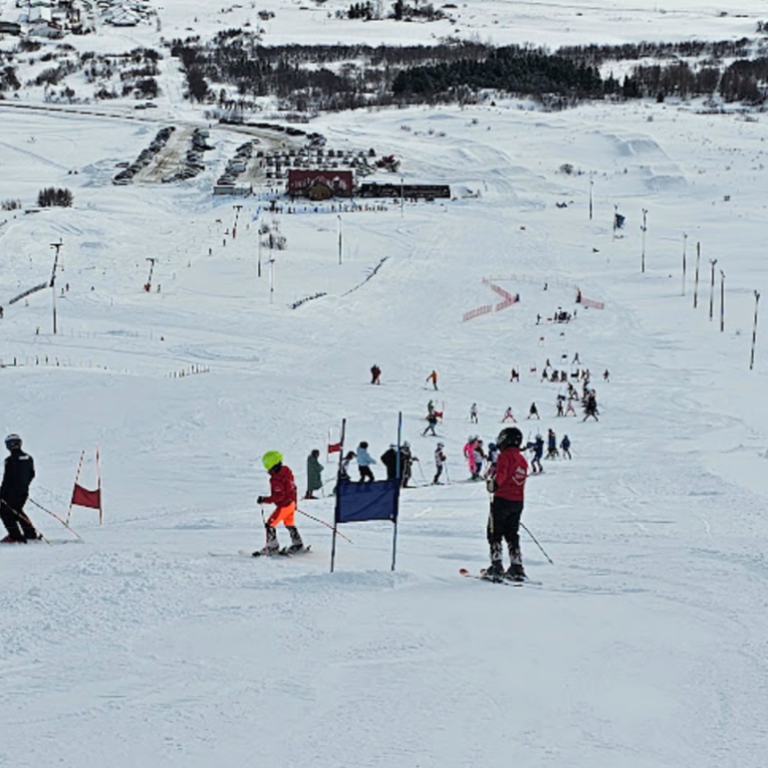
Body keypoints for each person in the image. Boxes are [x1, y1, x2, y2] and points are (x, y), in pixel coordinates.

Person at [486, 427, 528, 581]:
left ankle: (496, 566)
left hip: (502, 499)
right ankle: (517, 566)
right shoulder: (522, 459)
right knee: (512, 533)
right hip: (518, 501)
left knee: (494, 532)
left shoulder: (505, 456)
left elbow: (502, 473)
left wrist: (494, 484)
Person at [255, 450, 303, 555]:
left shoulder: (276, 479)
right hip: (291, 504)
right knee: (289, 524)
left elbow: (278, 497)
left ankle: (273, 546)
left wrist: (264, 500)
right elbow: (293, 489)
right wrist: (294, 503)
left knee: (270, 524)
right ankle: (298, 544)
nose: (267, 468)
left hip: (284, 505)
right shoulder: (287, 472)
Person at [0, 434, 38, 543]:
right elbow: (31, 474)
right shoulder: (28, 458)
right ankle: (30, 533)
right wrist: (24, 486)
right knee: (17, 511)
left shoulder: (10, 460)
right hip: (23, 492)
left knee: (5, 513)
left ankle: (15, 536)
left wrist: (2, 493)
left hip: (10, 493)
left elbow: (8, 478)